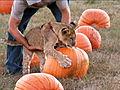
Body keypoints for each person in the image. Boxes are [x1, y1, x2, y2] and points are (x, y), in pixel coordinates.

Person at [6, 0, 71, 74]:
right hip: (28, 5)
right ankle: (14, 68)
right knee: (16, 29)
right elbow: (12, 28)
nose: (38, 3)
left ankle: (64, 64)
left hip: (53, 1)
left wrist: (62, 38)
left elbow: (65, 13)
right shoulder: (20, 2)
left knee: (64, 31)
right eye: (35, 3)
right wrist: (27, 45)